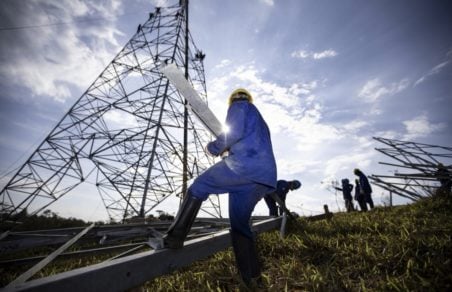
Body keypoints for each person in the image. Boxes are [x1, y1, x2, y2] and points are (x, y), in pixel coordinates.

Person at [163, 88, 277, 287]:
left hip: (244, 168)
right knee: (240, 227)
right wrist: (229, 151)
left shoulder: (240, 105)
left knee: (199, 186)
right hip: (261, 179)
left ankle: (174, 237)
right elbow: (249, 141)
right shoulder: (261, 122)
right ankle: (252, 279)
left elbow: (234, 132)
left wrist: (214, 147)